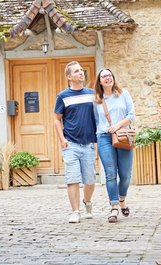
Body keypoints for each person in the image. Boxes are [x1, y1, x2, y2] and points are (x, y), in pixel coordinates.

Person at [54, 61, 97, 223]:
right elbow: (57, 120)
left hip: (88, 145)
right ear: (69, 76)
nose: (81, 73)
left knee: (90, 180)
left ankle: (87, 202)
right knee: (72, 179)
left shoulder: (91, 94)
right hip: (70, 144)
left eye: (81, 70)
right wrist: (62, 139)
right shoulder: (63, 96)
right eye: (77, 71)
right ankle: (75, 211)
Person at [93, 68, 135, 223]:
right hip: (104, 137)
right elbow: (96, 121)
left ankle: (122, 198)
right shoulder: (97, 99)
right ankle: (114, 207)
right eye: (104, 76)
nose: (107, 78)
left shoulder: (124, 93)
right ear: (100, 81)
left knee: (125, 175)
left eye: (109, 75)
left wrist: (117, 126)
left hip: (123, 135)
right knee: (110, 173)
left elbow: (131, 115)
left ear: (113, 78)